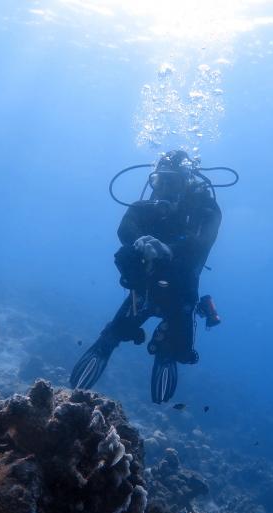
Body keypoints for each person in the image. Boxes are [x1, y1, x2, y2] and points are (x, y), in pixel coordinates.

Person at [70, 149, 223, 403]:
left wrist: (170, 250)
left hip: (182, 291)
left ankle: (166, 352)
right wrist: (138, 240)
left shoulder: (205, 208)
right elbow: (126, 226)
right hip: (145, 288)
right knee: (111, 335)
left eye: (171, 181)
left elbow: (204, 241)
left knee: (177, 351)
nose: (163, 188)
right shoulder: (146, 207)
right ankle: (105, 348)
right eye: (159, 181)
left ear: (186, 182)